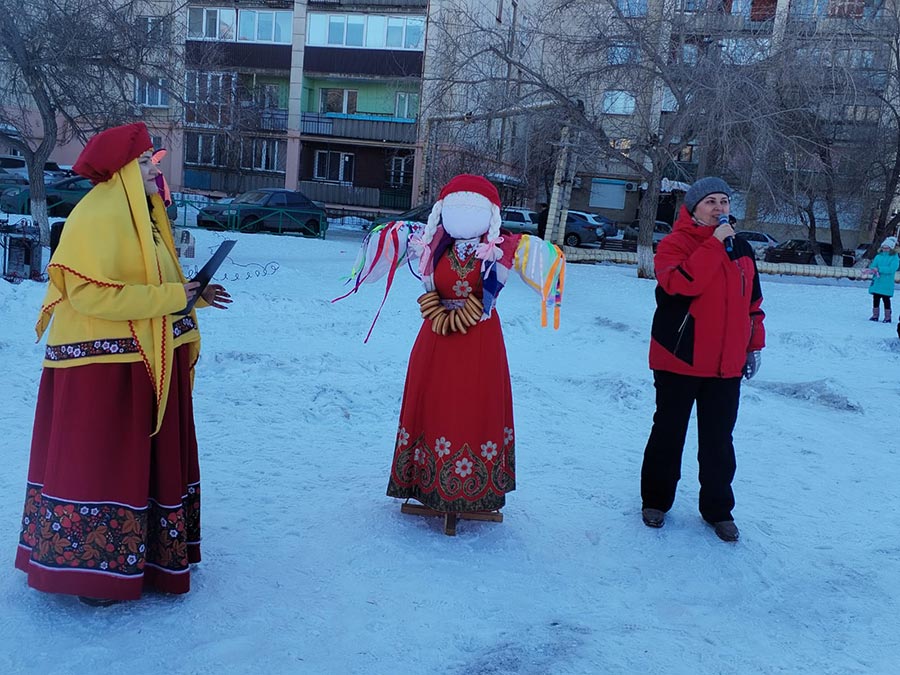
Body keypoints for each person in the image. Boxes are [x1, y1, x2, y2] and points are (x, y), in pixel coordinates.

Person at [14, 122, 231, 605]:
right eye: (147, 161)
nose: (157, 169)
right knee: (102, 464)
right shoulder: (98, 213)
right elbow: (89, 293)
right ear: (125, 169)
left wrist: (193, 295)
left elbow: (153, 284)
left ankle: (143, 557)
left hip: (143, 360)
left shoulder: (144, 218)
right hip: (102, 370)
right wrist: (175, 296)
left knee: (136, 464)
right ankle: (92, 572)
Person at [337, 174, 565, 535]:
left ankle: (472, 489)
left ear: (490, 213)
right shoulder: (430, 243)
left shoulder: (505, 248)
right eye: (457, 207)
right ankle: (424, 483)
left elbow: (545, 264)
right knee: (434, 402)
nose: (464, 215)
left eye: (473, 208)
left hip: (480, 341)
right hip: (435, 338)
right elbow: (387, 244)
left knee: (474, 405)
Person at [640, 176, 765, 542]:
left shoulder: (741, 248)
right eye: (710, 201)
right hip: (679, 358)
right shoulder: (674, 245)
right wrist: (713, 245)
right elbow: (682, 284)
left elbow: (753, 303)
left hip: (725, 364)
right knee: (668, 433)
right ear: (692, 208)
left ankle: (718, 509)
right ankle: (656, 502)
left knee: (718, 440)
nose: (719, 208)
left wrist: (753, 345)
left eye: (724, 201)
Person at [867, 236, 898, 322]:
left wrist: (879, 269)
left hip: (886, 283)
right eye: (883, 247)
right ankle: (875, 315)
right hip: (877, 281)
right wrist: (872, 269)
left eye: (887, 248)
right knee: (875, 298)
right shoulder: (878, 256)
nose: (884, 249)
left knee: (886, 299)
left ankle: (887, 317)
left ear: (891, 248)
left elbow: (892, 269)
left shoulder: (894, 258)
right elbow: (873, 265)